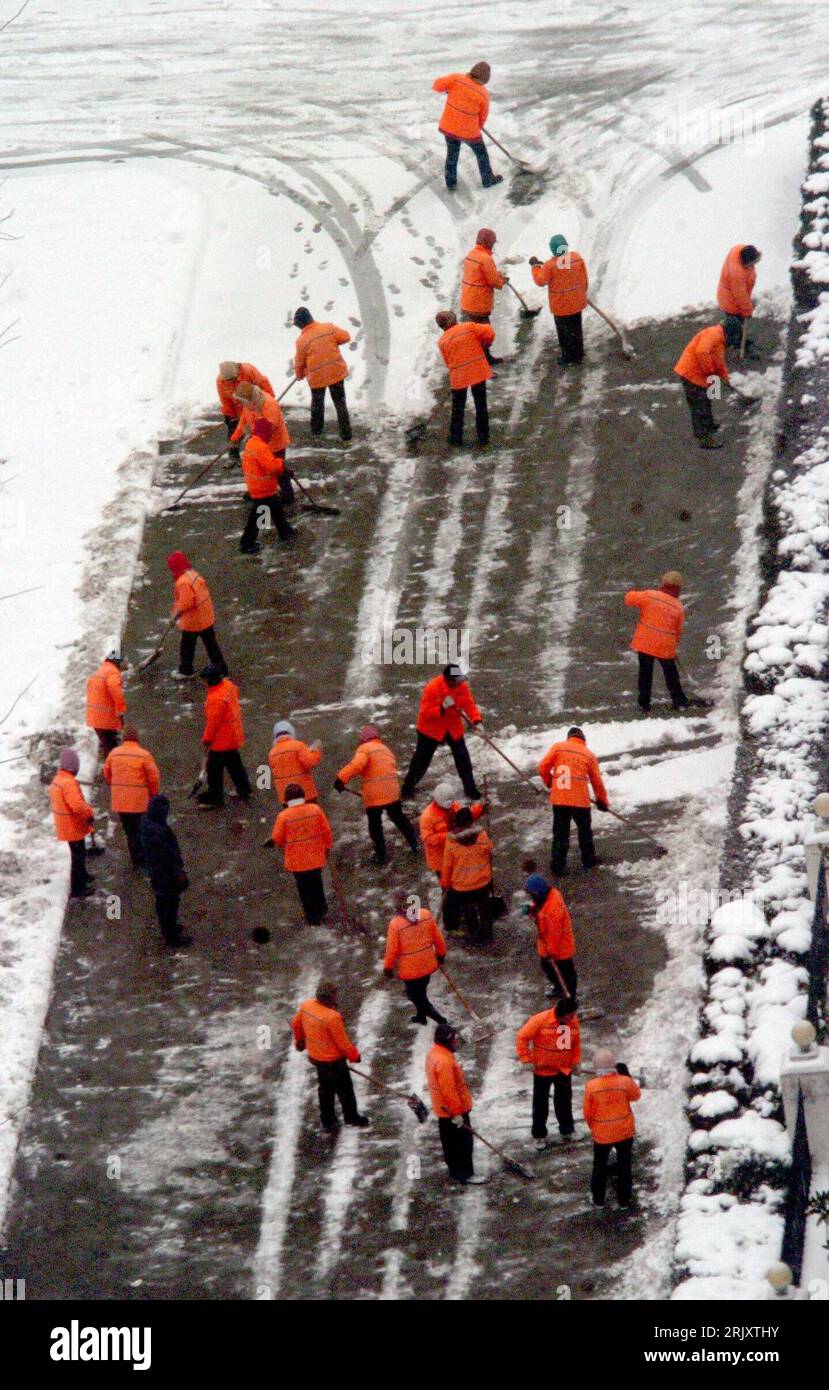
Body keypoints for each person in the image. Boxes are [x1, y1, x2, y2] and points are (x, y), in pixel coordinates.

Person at [291, 981, 369, 1132]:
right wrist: (354, 1056)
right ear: (330, 997)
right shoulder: (332, 1017)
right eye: (335, 994)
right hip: (333, 1061)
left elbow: (296, 1024)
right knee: (345, 1090)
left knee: (325, 1091)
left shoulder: (306, 1006)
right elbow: (343, 1043)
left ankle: (328, 1121)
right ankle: (351, 1117)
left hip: (317, 1058)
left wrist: (300, 1041)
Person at [335, 724, 418, 864]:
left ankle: (381, 854)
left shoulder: (364, 749)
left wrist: (340, 779)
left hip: (374, 796)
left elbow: (357, 765)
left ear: (363, 739)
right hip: (392, 792)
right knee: (399, 819)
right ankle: (414, 842)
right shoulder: (386, 749)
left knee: (375, 826)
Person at [401, 664, 483, 800]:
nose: (460, 683)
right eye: (456, 681)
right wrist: (442, 708)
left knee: (463, 759)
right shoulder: (432, 688)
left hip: (453, 728)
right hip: (431, 730)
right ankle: (407, 788)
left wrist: (477, 721)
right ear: (448, 680)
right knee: (421, 761)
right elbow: (425, 713)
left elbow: (469, 704)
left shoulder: (462, 686)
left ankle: (470, 788)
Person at [537, 726, 609, 875]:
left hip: (560, 799)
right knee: (585, 832)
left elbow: (542, 767)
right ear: (583, 740)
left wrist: (550, 781)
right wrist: (602, 801)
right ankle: (588, 860)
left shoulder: (558, 747)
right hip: (580, 800)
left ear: (569, 737)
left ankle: (557, 866)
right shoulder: (588, 754)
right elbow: (597, 781)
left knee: (560, 833)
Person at [516, 995, 581, 1149]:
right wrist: (526, 1059)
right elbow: (522, 1038)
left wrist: (576, 1061)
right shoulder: (539, 1020)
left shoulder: (572, 1021)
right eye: (571, 1015)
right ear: (562, 1014)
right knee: (540, 1105)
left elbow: (575, 1043)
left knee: (564, 1102)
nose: (574, 1018)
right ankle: (539, 1135)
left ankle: (567, 1130)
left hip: (563, 1069)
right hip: (542, 1070)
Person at [425, 1024, 486, 1184]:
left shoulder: (434, 1054)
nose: (456, 1042)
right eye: (453, 1039)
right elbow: (449, 1091)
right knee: (463, 1144)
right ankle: (465, 1174)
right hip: (453, 1112)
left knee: (449, 1143)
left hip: (442, 1110)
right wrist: (457, 1113)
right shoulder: (444, 1062)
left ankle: (455, 1170)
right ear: (447, 1040)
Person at [583, 1049, 641, 1210]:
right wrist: (626, 1076)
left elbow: (587, 1113)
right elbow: (636, 1096)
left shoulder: (591, 1086)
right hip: (624, 1131)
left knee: (599, 1167)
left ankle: (598, 1200)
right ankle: (624, 1200)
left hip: (602, 1135)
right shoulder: (624, 1082)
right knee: (624, 1166)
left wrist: (594, 1128)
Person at [624, 571, 689, 713]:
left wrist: (634, 592)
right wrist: (673, 646)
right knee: (671, 673)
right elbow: (678, 630)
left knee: (645, 673)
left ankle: (644, 704)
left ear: (663, 583)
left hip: (645, 642)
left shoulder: (650, 595)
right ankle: (679, 700)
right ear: (679, 588)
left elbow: (628, 599)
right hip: (665, 645)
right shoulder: (678, 606)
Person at [432, 62, 502, 190]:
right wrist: (478, 127)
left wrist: (448, 88)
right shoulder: (483, 94)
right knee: (481, 154)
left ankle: (451, 183)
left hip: (449, 127)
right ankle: (487, 179)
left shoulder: (457, 79)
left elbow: (436, 85)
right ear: (485, 79)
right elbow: (482, 117)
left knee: (452, 154)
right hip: (469, 132)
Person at [270, 783, 333, 925]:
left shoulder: (283, 816)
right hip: (316, 857)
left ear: (286, 799)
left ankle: (312, 916)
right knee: (317, 883)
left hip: (297, 862)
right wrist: (327, 846)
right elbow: (326, 830)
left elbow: (278, 838)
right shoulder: (315, 809)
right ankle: (322, 909)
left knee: (304, 889)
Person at [384, 890, 448, 1026]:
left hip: (410, 972)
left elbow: (392, 950)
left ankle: (441, 1021)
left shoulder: (395, 925)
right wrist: (441, 955)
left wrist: (388, 967)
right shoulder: (425, 914)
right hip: (428, 965)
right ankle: (421, 1016)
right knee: (421, 993)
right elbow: (439, 939)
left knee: (416, 997)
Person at [102, 725, 161, 867]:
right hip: (139, 802)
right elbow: (153, 777)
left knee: (129, 830)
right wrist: (153, 794)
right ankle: (143, 857)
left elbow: (106, 773)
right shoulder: (144, 755)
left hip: (120, 802)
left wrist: (115, 786)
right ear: (137, 738)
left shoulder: (114, 753)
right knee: (140, 828)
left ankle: (136, 856)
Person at [435, 311, 493, 448]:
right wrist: (485, 345)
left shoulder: (442, 341)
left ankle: (456, 438)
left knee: (457, 408)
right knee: (481, 405)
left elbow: (448, 362)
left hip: (459, 377)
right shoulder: (469, 327)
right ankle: (483, 437)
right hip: (478, 372)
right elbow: (489, 332)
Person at [140, 794, 192, 948]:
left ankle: (169, 929)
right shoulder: (159, 832)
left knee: (164, 902)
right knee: (169, 903)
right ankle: (172, 937)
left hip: (157, 874)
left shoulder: (148, 824)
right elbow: (167, 857)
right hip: (166, 875)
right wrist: (178, 872)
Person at [293, 308, 352, 440]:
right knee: (340, 404)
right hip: (336, 373)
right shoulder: (328, 328)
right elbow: (346, 337)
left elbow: (299, 362)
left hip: (317, 378)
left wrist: (299, 374)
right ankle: (346, 434)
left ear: (300, 324)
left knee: (317, 405)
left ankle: (317, 430)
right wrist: (331, 342)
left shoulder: (301, 341)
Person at [197, 665, 251, 808]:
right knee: (234, 763)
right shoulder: (228, 686)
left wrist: (206, 739)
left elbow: (213, 723)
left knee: (214, 768)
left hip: (221, 740)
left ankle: (215, 797)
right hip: (233, 734)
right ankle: (244, 788)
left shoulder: (216, 699)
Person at [530, 235, 589, 365]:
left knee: (565, 333)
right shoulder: (577, 258)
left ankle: (568, 358)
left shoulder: (550, 266)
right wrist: (582, 292)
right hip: (577, 302)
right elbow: (584, 278)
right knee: (576, 329)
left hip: (561, 306)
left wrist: (535, 267)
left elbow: (540, 281)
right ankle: (578, 353)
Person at [166, 551, 227, 677]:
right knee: (211, 645)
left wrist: (174, 614)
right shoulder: (193, 575)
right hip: (206, 617)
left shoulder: (182, 582)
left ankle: (186, 670)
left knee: (187, 647)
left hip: (194, 621)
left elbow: (185, 602)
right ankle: (222, 670)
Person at [239, 418, 295, 553]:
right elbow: (272, 466)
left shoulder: (252, 443)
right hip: (262, 487)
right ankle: (247, 543)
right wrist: (281, 463)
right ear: (265, 433)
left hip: (259, 486)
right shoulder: (260, 447)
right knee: (259, 515)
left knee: (276, 508)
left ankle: (285, 531)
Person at [440, 806, 495, 941]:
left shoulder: (451, 841)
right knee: (484, 907)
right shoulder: (481, 835)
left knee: (468, 910)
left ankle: (474, 933)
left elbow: (447, 865)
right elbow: (489, 850)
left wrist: (445, 883)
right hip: (483, 882)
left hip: (463, 887)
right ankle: (487, 932)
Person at [673, 323, 729, 449]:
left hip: (700, 375)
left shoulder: (719, 338)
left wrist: (724, 377)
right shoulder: (713, 335)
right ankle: (703, 437)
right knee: (699, 406)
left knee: (706, 400)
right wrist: (710, 370)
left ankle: (709, 425)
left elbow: (719, 360)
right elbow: (701, 351)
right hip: (690, 374)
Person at [523, 871, 577, 1000]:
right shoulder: (548, 896)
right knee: (548, 967)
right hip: (548, 944)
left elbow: (555, 934)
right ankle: (559, 988)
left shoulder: (553, 909)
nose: (531, 898)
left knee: (566, 972)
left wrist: (550, 953)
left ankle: (570, 997)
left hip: (559, 948)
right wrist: (532, 909)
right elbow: (541, 908)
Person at [49, 748, 95, 899]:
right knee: (78, 856)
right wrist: (88, 814)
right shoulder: (68, 783)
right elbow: (77, 805)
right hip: (72, 826)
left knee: (79, 853)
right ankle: (77, 888)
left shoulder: (58, 780)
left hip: (65, 825)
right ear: (73, 767)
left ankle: (83, 876)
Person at [460, 228, 507, 364]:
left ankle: (485, 358)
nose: (493, 245)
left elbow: (480, 276)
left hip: (469, 300)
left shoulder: (471, 254)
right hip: (478, 303)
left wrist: (496, 276)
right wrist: (501, 280)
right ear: (488, 243)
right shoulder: (485, 259)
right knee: (485, 334)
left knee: (477, 333)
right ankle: (481, 363)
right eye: (492, 242)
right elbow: (494, 282)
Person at [419, 782, 485, 878]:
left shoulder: (454, 806)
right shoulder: (427, 817)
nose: (449, 806)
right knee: (448, 886)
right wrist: (449, 836)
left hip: (456, 856)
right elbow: (428, 839)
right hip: (441, 861)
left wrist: (481, 808)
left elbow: (466, 817)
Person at [216, 361, 274, 458]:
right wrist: (230, 416)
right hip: (239, 409)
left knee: (258, 432)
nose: (232, 382)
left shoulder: (248, 371)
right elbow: (225, 399)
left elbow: (263, 383)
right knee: (234, 430)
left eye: (233, 379)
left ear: (237, 372)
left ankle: (261, 455)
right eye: (229, 380)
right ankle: (234, 457)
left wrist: (269, 402)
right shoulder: (220, 381)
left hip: (256, 406)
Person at [716, 244, 761, 355]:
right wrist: (747, 310)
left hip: (731, 294)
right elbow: (739, 294)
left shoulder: (739, 251)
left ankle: (736, 341)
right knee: (734, 322)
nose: (753, 265)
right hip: (729, 299)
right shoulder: (737, 273)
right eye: (751, 263)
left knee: (737, 322)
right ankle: (726, 341)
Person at [268, 720, 322, 805]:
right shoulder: (299, 746)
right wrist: (316, 751)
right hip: (305, 792)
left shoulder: (272, 752)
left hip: (285, 795)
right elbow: (311, 762)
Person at [85, 648, 126, 757]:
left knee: (107, 744)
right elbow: (115, 689)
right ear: (117, 662)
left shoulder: (98, 672)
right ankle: (113, 771)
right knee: (111, 748)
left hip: (94, 717)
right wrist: (121, 709)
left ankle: (109, 767)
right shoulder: (112, 672)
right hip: (105, 718)